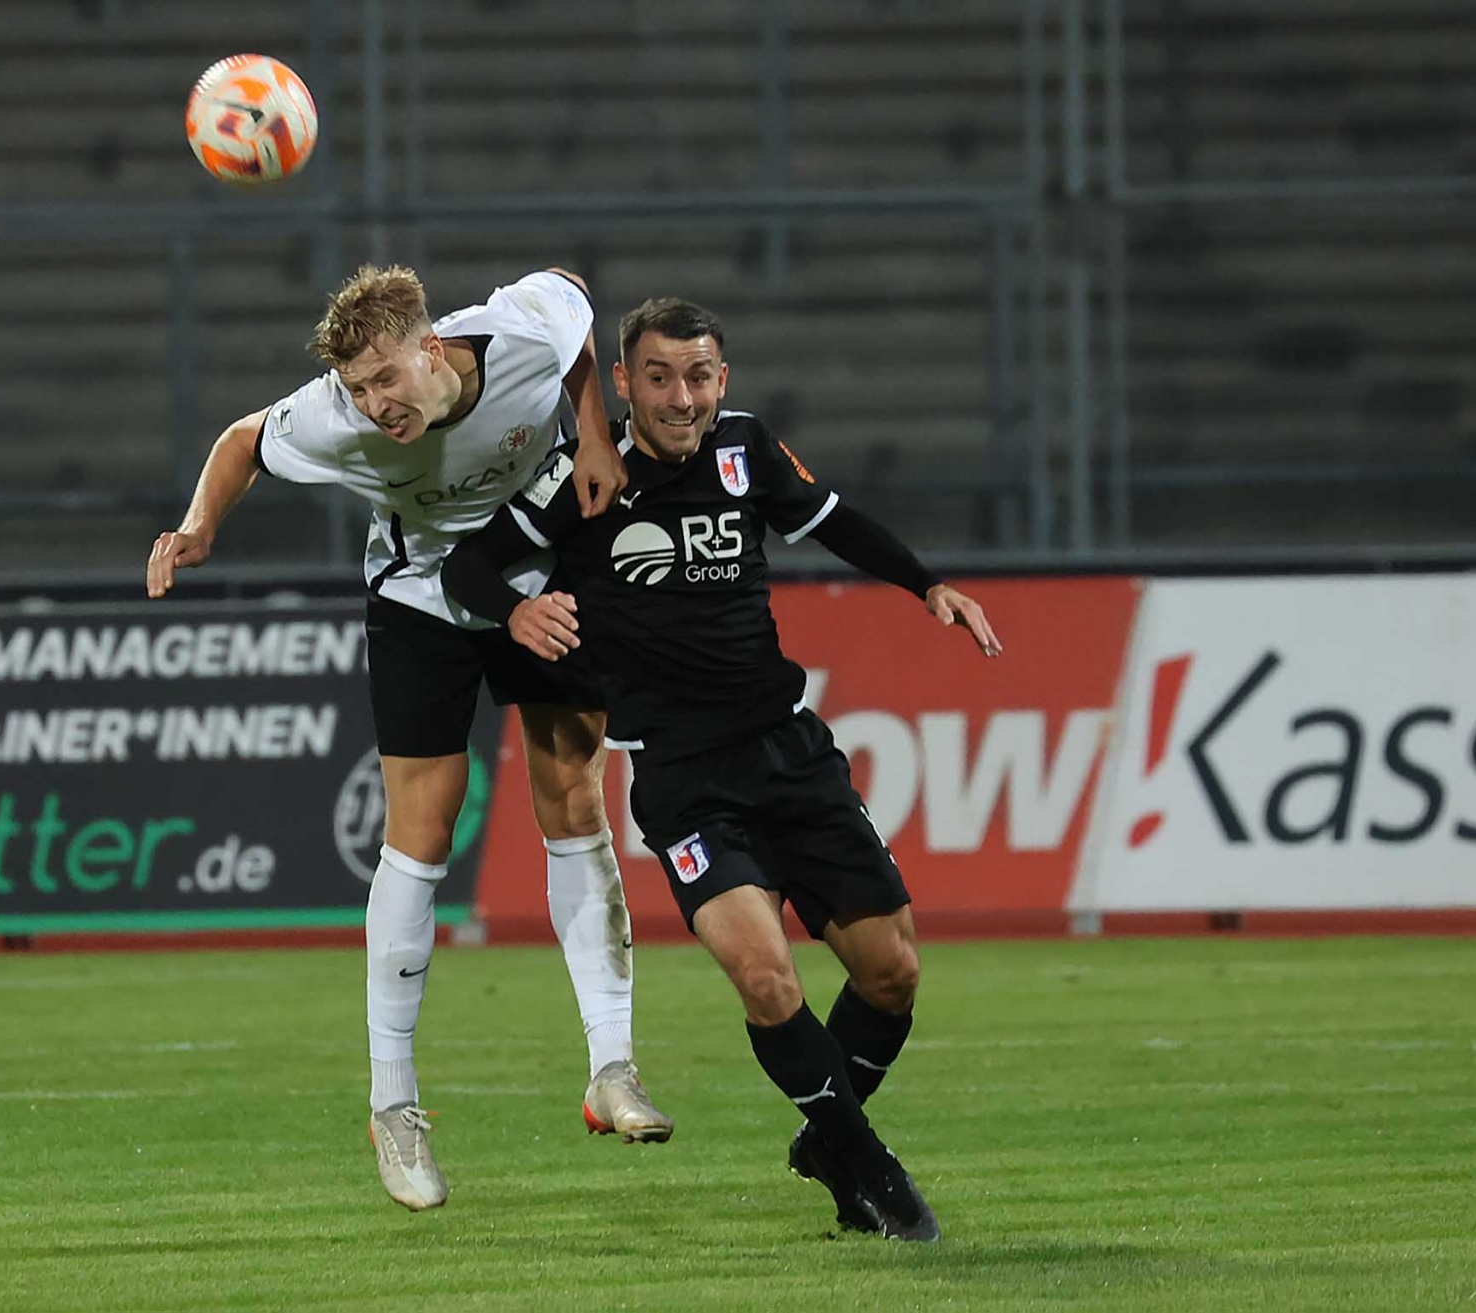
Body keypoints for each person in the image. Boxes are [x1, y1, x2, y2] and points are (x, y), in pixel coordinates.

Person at [441, 297, 1000, 1241]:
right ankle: (867, 1173)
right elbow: (467, 567)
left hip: (789, 750)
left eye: (699, 376)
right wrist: (516, 612)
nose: (681, 396)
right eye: (658, 376)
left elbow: (836, 520)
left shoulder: (747, 451)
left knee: (892, 971)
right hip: (683, 776)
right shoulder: (584, 476)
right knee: (767, 977)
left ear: (722, 381)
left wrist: (927, 583)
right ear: (623, 384)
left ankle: (831, 1136)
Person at [146, 265, 673, 1214]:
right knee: (420, 834)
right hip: (421, 598)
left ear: (433, 349)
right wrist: (196, 528)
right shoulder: (334, 418)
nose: (375, 404)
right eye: (357, 387)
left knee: (576, 799)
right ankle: (394, 1105)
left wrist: (593, 430)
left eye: (387, 377)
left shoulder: (521, 341)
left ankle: (613, 1067)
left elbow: (575, 298)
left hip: (537, 580)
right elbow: (239, 443)